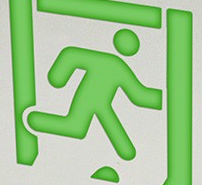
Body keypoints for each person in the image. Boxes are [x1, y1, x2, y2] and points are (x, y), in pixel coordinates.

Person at [28, 28, 162, 160]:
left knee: (77, 126)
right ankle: (36, 121)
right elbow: (138, 95)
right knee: (78, 126)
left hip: (96, 101)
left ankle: (36, 120)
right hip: (91, 99)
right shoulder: (118, 65)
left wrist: (58, 77)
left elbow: (138, 94)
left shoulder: (117, 65)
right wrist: (58, 76)